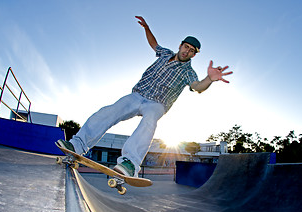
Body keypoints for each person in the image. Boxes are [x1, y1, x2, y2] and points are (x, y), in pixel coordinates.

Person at [57, 16, 233, 177]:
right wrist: (147, 28)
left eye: (191, 51)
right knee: (110, 111)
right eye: (186, 47)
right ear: (180, 45)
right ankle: (78, 145)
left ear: (194, 55)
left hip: (157, 104)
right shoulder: (165, 53)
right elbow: (154, 44)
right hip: (137, 94)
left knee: (149, 122)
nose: (187, 52)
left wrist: (209, 79)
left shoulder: (188, 72)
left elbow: (197, 87)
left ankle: (130, 163)